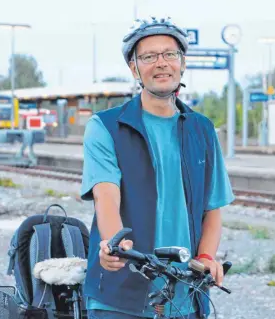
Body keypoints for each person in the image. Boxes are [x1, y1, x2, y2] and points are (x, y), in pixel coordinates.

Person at [80, 16, 235, 319]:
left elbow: (213, 208)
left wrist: (206, 256)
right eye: (149, 56)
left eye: (169, 54)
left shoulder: (201, 129)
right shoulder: (106, 127)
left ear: (182, 62)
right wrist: (115, 244)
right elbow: (106, 195)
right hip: (120, 298)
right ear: (134, 68)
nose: (161, 63)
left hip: (186, 295)